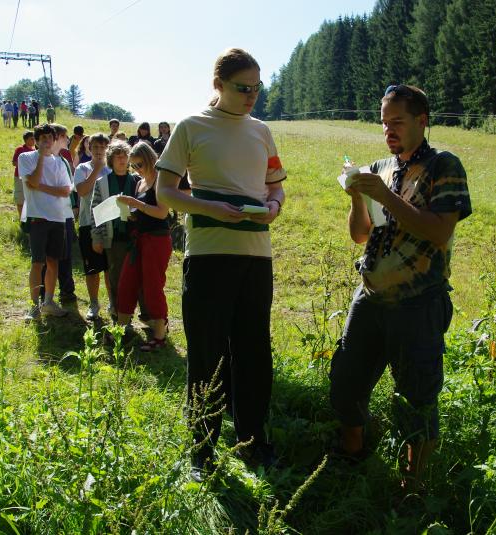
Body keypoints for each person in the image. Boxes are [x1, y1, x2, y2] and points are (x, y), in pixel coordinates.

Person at [328, 84, 471, 487]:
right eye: (384, 123)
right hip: (370, 296)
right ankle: (353, 450)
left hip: (418, 301)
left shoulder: (444, 166)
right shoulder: (381, 168)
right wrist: (358, 196)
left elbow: (439, 232)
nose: (388, 131)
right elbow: (361, 235)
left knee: (417, 395)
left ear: (422, 122)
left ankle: (414, 482)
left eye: (397, 122)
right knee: (346, 380)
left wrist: (385, 197)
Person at [156, 47, 286, 481]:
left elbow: (276, 188)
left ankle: (252, 441)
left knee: (253, 351)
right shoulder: (192, 127)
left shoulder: (262, 131)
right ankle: (202, 450)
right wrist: (209, 206)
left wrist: (273, 206)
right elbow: (166, 192)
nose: (251, 95)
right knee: (207, 354)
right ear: (218, 85)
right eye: (242, 88)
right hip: (209, 255)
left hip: (256, 256)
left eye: (256, 88)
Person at [115, 142, 171, 349]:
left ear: (149, 160)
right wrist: (129, 214)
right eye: (133, 166)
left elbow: (162, 212)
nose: (137, 169)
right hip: (139, 239)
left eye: (139, 164)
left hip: (156, 240)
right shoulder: (140, 183)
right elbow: (144, 212)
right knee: (126, 282)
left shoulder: (160, 180)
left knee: (152, 286)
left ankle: (159, 335)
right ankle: (119, 330)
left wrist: (136, 204)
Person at [17, 123, 72, 319]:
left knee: (53, 261)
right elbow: (31, 180)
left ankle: (48, 301)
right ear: (37, 141)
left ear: (54, 140)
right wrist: (40, 157)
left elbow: (65, 190)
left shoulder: (59, 162)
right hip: (38, 216)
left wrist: (39, 187)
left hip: (57, 217)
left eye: (50, 138)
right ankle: (34, 306)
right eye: (43, 139)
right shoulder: (26, 157)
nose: (47, 141)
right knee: (37, 262)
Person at [91, 141, 139, 319]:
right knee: (115, 277)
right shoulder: (102, 182)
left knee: (135, 277)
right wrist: (96, 238)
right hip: (113, 237)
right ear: (111, 159)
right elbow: (95, 210)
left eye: (124, 155)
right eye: (117, 156)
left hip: (134, 237)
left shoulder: (136, 181)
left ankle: (135, 313)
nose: (121, 159)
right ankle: (117, 311)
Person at [74, 134, 112, 320]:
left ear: (107, 149)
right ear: (89, 148)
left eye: (102, 148)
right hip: (87, 224)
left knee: (110, 268)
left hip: (109, 225)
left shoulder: (113, 170)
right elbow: (81, 191)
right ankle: (94, 303)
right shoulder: (82, 168)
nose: (98, 151)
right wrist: (96, 170)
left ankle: (113, 303)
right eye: (95, 147)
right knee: (92, 269)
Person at [39, 124, 78, 304]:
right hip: (48, 215)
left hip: (66, 214)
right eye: (65, 136)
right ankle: (44, 293)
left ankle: (67, 290)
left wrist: (74, 205)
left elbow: (70, 188)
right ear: (59, 137)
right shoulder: (42, 159)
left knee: (66, 254)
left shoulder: (63, 160)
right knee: (47, 258)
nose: (68, 140)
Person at [12, 131, 36, 218]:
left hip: (31, 178)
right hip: (19, 177)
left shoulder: (36, 151)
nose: (34, 140)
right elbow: (14, 163)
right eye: (31, 139)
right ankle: (21, 218)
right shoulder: (20, 149)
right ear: (26, 140)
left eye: (34, 138)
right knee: (20, 199)